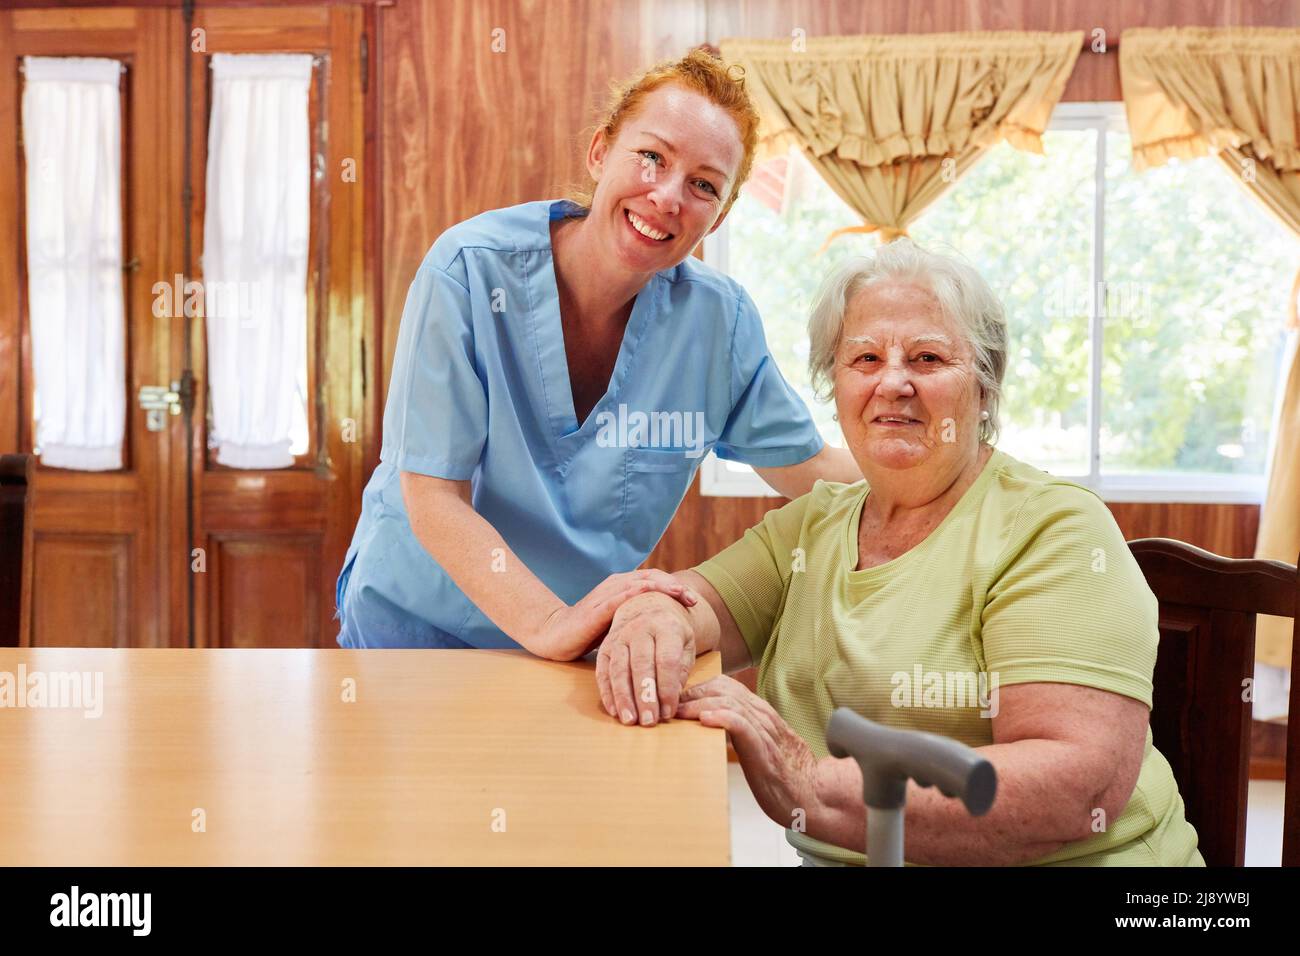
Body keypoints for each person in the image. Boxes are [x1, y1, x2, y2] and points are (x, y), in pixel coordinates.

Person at [597, 239, 1205, 865]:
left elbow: (1075, 790)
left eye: (928, 357)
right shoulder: (814, 526)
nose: (893, 382)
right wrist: (654, 616)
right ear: (835, 385)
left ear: (985, 386)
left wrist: (809, 782)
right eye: (864, 358)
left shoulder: (1053, 530)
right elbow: (692, 603)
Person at [335, 49, 861, 727]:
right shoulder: (468, 271)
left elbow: (811, 470)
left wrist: (962, 480)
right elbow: (432, 496)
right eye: (652, 158)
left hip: (571, 652)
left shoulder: (717, 323)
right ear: (599, 152)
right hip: (414, 627)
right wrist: (552, 622)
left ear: (720, 218)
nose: (668, 196)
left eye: (704, 185)